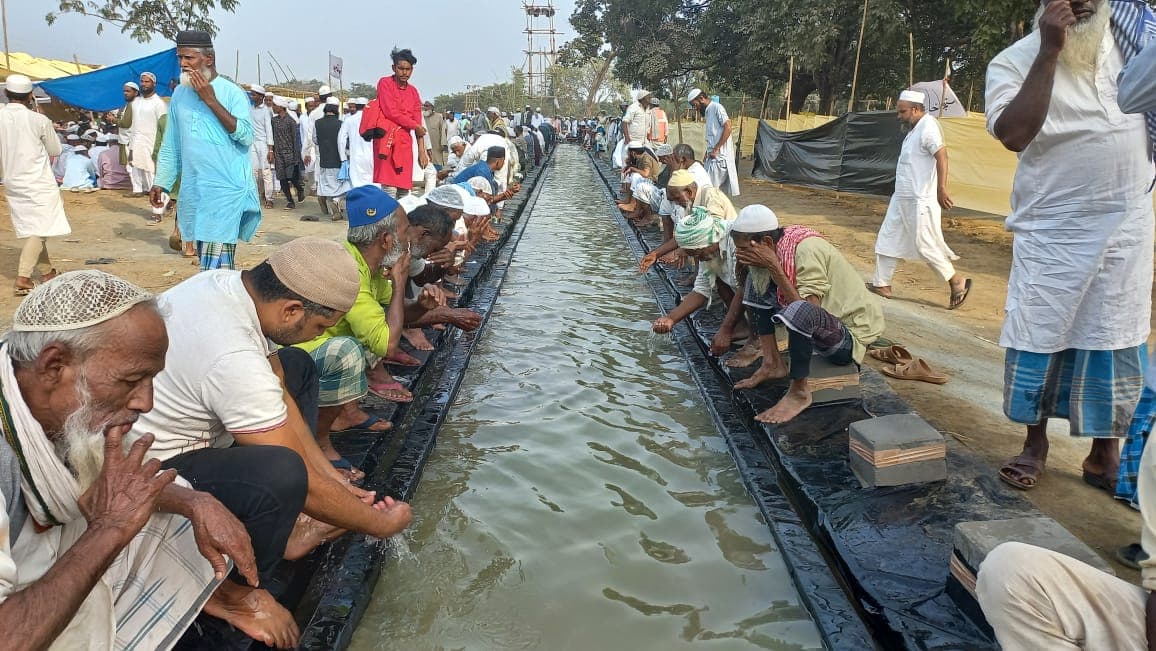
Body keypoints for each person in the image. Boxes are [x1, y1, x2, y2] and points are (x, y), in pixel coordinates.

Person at [132, 236, 413, 644]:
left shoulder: (227, 286)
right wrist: (379, 523)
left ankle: (292, 532)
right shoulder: (231, 356)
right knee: (279, 473)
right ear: (292, 309)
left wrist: (334, 483)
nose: (318, 333)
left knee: (296, 365)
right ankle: (238, 591)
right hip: (157, 468)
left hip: (197, 428)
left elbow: (279, 393)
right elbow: (288, 461)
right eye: (319, 326)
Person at [0, 271, 264, 649]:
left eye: (153, 379)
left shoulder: (43, 397)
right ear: (54, 366)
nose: (146, 402)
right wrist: (109, 528)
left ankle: (213, 602)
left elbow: (120, 482)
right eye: (130, 381)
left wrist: (197, 502)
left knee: (176, 501)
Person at [985, 0, 1153, 492]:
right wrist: (1049, 52)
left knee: (1115, 331)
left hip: (1127, 227)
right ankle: (1035, 444)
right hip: (1054, 230)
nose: (1081, 3)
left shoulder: (1134, 41)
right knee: (1040, 329)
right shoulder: (1014, 59)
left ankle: (1105, 453)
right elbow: (1014, 133)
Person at [726, 205, 885, 423]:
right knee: (755, 283)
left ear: (767, 243)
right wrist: (751, 269)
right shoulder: (774, 248)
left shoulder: (805, 250)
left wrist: (774, 267)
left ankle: (799, 392)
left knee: (799, 310)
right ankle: (772, 362)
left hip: (848, 335)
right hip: (818, 324)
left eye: (745, 249)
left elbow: (808, 311)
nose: (741, 255)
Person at [152, 30, 261, 271]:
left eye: (189, 58)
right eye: (180, 58)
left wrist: (210, 100)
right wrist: (162, 182)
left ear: (208, 59)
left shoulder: (232, 92)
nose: (183, 64)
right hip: (195, 189)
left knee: (215, 268)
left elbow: (245, 136)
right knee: (207, 262)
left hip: (225, 189)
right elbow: (171, 143)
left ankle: (219, 305)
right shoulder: (180, 93)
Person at [869, 89, 971, 309]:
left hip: (919, 200)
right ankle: (881, 283)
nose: (899, 116)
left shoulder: (928, 127)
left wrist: (941, 188)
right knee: (888, 238)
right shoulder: (913, 131)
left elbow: (942, 156)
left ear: (915, 110)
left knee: (925, 244)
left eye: (902, 112)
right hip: (902, 198)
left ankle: (956, 281)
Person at [0, 74, 70, 296]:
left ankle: (48, 272)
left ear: (6, 93)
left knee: (35, 228)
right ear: (31, 96)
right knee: (40, 229)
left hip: (12, 179)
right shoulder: (38, 120)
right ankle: (23, 277)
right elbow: (55, 150)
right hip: (37, 180)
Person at [362, 48, 425, 197]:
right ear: (393, 68)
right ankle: (388, 219)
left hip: (404, 143)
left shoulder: (413, 92)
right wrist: (415, 126)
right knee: (389, 189)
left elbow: (418, 123)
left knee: (404, 190)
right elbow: (391, 112)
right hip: (387, 141)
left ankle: (400, 219)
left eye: (408, 69)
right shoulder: (385, 83)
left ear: (412, 70)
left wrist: (421, 151)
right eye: (401, 68)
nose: (405, 73)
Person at [126, 72, 168, 221]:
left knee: (154, 178)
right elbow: (133, 127)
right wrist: (131, 150)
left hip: (153, 146)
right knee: (143, 174)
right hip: (137, 144)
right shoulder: (135, 102)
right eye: (142, 81)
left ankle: (158, 211)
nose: (144, 84)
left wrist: (161, 149)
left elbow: (164, 127)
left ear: (153, 84)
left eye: (147, 81)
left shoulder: (159, 104)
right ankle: (160, 205)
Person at [688, 88, 740, 196]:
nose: (695, 108)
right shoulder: (707, 112)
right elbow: (714, 135)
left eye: (695, 104)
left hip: (719, 157)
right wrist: (708, 152)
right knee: (707, 188)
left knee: (710, 191)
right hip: (712, 156)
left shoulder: (717, 107)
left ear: (701, 98)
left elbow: (728, 127)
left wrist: (716, 148)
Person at [313, 102, 350, 220]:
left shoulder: (317, 123)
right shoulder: (341, 124)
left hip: (324, 158)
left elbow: (315, 139)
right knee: (344, 184)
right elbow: (345, 141)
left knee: (327, 182)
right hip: (338, 159)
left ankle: (323, 196)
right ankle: (336, 201)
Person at [271, 98, 306, 210]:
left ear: (281, 107)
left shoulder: (291, 121)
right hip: (278, 154)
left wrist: (297, 157)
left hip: (290, 154)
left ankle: (299, 189)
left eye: (275, 105)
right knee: (282, 179)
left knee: (292, 177)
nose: (273, 107)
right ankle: (290, 201)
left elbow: (295, 140)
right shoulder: (274, 120)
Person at [248, 83, 276, 209]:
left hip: (264, 144)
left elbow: (269, 130)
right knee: (253, 172)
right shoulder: (250, 109)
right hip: (252, 143)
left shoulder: (266, 111)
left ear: (260, 97)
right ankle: (255, 196)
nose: (251, 96)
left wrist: (270, 149)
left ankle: (269, 198)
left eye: (253, 95)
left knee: (266, 172)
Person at [425, 101, 446, 167]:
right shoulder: (422, 117)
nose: (426, 108)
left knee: (437, 161)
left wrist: (443, 143)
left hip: (436, 145)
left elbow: (442, 130)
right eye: (425, 106)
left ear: (432, 107)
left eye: (428, 106)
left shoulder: (439, 116)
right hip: (424, 144)